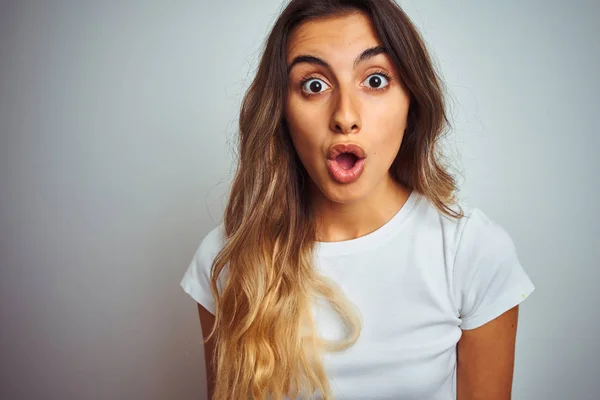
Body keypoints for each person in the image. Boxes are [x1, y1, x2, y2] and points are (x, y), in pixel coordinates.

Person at [180, 0, 535, 399]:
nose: (345, 115)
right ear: (280, 111)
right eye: (314, 85)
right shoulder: (229, 257)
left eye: (376, 80)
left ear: (411, 102)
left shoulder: (470, 251)